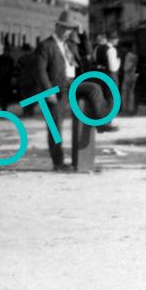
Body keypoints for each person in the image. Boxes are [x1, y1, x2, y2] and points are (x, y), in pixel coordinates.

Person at [33, 12, 113, 171]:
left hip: (72, 83)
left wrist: (83, 35)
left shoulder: (70, 45)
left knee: (94, 88)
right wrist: (48, 92)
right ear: (57, 27)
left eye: (70, 29)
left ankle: (102, 123)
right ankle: (58, 163)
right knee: (55, 127)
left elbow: (88, 54)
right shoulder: (45, 46)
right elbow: (40, 71)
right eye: (64, 28)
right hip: (54, 89)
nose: (68, 32)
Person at [15, 43, 37, 115]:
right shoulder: (34, 58)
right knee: (32, 96)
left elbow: (17, 69)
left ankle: (25, 111)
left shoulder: (21, 59)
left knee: (25, 96)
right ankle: (30, 111)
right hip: (33, 80)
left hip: (23, 80)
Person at [0, 44, 15, 112]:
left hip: (3, 80)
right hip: (3, 80)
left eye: (7, 51)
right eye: (6, 51)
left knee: (0, 96)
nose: (6, 52)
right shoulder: (10, 60)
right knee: (0, 96)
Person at [120, 41, 138, 116]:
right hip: (132, 75)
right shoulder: (135, 56)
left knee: (127, 92)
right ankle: (129, 109)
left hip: (128, 75)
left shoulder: (129, 55)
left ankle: (127, 109)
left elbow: (127, 67)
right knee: (130, 92)